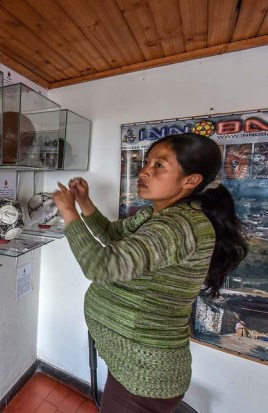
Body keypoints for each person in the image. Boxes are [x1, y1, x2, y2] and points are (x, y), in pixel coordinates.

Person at [52, 133, 247, 413]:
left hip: (143, 378)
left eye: (159, 166)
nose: (144, 170)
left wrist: (68, 211)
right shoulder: (154, 215)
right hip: (129, 363)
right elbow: (111, 234)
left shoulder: (180, 226)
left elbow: (101, 266)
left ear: (191, 181)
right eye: (147, 162)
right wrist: (84, 203)